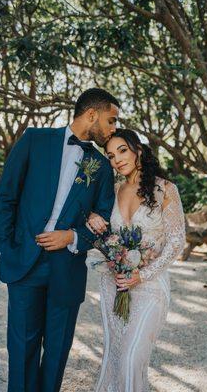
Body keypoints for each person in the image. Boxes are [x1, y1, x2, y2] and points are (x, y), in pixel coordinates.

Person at [0, 88, 120, 392]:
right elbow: (7, 197)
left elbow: (104, 217)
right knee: (22, 349)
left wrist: (72, 236)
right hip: (25, 263)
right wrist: (7, 248)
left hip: (67, 267)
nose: (114, 128)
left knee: (57, 352)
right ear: (92, 114)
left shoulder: (101, 166)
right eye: (111, 120)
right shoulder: (34, 140)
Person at [87, 128, 186, 392]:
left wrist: (141, 275)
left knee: (132, 358)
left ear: (137, 150)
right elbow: (105, 234)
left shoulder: (166, 189)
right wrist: (92, 219)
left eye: (122, 150)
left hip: (149, 287)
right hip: (114, 286)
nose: (116, 159)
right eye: (110, 156)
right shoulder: (113, 190)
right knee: (115, 356)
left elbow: (177, 242)